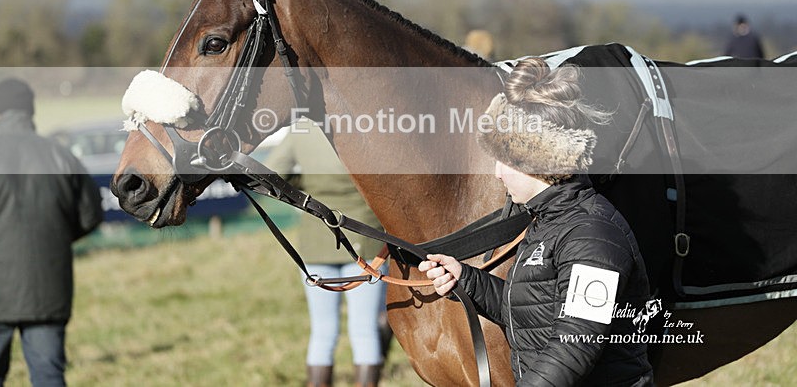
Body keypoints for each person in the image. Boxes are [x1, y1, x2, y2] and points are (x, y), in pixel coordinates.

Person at [418, 58, 654, 386]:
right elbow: (534, 311)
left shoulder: (592, 235)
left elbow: (575, 344)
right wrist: (467, 280)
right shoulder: (546, 222)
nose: (498, 173)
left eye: (506, 161)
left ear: (537, 160)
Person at [264, 119, 388, 387]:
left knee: (322, 333)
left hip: (315, 242)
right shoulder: (363, 123)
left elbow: (271, 171)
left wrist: (305, 184)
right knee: (365, 331)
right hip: (364, 241)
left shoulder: (302, 129)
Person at [0, 78, 104, 387]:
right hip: (47, 288)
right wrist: (54, 237)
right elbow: (90, 215)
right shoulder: (62, 156)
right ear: (30, 112)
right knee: (48, 376)